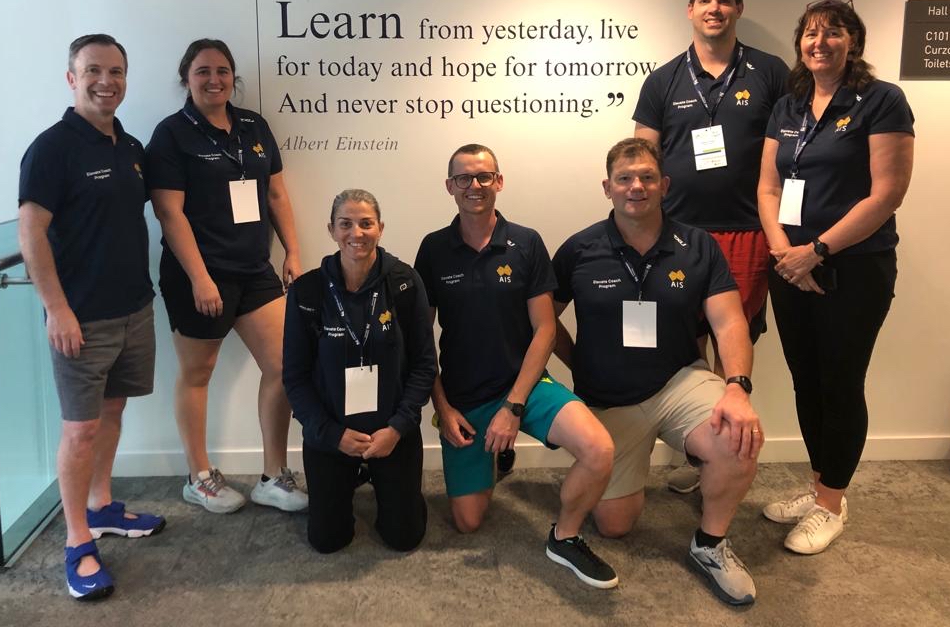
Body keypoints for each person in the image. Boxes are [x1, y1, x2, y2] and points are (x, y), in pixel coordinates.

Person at [553, 138, 763, 606]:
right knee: (614, 527)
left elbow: (729, 320)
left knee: (737, 435)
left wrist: (737, 388)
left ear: (664, 185)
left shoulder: (699, 245)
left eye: (647, 177)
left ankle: (709, 545)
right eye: (625, 179)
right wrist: (576, 363)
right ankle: (637, 461)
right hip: (609, 400)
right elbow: (544, 323)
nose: (636, 187)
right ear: (607, 187)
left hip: (678, 382)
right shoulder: (579, 249)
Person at [414, 144, 618, 589]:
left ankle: (564, 536)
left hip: (525, 387)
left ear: (499, 182)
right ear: (450, 187)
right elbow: (420, 343)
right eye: (464, 178)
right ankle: (494, 453)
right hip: (465, 399)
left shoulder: (525, 242)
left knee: (599, 448)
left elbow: (545, 330)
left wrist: (514, 405)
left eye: (484, 176)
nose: (475, 186)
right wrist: (444, 411)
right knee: (468, 522)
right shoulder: (433, 249)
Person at [758, 0, 914, 554]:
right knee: (806, 379)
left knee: (840, 382)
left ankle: (830, 505)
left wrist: (816, 251)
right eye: (810, 34)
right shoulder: (789, 104)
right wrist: (784, 253)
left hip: (853, 268)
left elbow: (887, 192)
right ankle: (822, 485)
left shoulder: (880, 100)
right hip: (789, 267)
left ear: (855, 42)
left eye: (833, 33)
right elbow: (768, 189)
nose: (819, 42)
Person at [19, 34, 165, 601]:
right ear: (71, 77)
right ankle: (78, 539)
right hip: (80, 318)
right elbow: (31, 232)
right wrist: (56, 308)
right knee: (79, 428)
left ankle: (102, 506)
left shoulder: (127, 145)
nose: (107, 81)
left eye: (117, 71)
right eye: (94, 71)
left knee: (112, 409)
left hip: (133, 307)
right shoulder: (52, 148)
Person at [633, 0, 789, 494]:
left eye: (724, 1)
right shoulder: (663, 80)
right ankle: (697, 447)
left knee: (734, 344)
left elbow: (793, 153)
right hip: (678, 233)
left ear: (738, 9)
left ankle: (725, 453)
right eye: (704, 0)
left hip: (747, 231)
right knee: (681, 343)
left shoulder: (770, 73)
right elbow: (642, 158)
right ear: (690, 10)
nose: (714, 9)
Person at [145, 39, 307, 514]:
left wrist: (293, 252)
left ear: (233, 77)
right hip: (197, 274)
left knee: (283, 366)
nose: (214, 79)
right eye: (202, 71)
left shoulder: (254, 125)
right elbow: (168, 213)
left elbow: (275, 195)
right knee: (198, 373)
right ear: (186, 78)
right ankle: (198, 475)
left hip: (254, 270)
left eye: (222, 71)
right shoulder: (172, 134)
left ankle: (273, 475)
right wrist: (199, 278)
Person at [283, 189, 435, 552]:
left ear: (380, 228)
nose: (357, 233)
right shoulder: (307, 291)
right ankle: (351, 476)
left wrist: (398, 428)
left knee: (404, 538)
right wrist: (330, 433)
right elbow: (295, 375)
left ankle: (390, 485)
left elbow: (425, 364)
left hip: (391, 433)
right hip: (332, 435)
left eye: (366, 223)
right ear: (332, 231)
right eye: (345, 224)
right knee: (327, 541)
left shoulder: (404, 282)